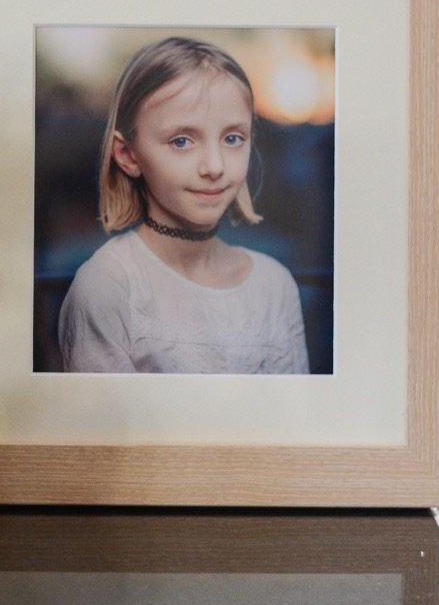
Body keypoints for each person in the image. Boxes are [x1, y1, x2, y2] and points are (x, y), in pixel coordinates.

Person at [58, 36, 309, 374]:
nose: (215, 166)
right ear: (128, 156)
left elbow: (293, 422)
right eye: (182, 141)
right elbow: (108, 426)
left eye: (233, 138)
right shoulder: (108, 287)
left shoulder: (274, 285)